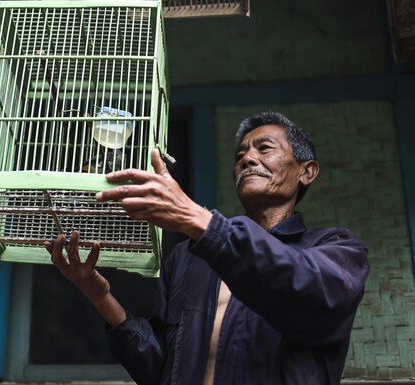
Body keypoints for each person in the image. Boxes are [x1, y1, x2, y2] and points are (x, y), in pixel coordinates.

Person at [44, 111, 369, 385]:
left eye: (264, 148)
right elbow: (161, 369)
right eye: (240, 155)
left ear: (306, 172)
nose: (247, 159)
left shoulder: (336, 249)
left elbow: (309, 292)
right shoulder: (187, 258)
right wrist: (99, 295)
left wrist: (196, 218)